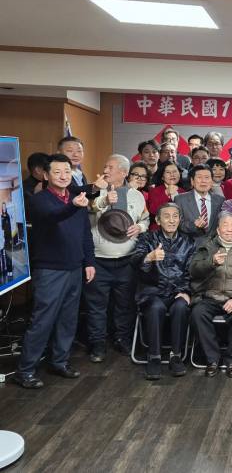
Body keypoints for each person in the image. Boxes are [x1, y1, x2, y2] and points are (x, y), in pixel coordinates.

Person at [13, 154, 95, 389]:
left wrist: (89, 261)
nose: (63, 176)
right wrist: (73, 205)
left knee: (68, 319)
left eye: (67, 172)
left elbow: (85, 234)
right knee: (43, 320)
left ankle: (59, 361)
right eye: (57, 172)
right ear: (46, 175)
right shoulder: (40, 200)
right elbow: (54, 216)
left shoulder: (76, 198)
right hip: (50, 269)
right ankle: (25, 371)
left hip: (75, 267)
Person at [84, 154, 149, 362]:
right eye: (105, 166)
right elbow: (89, 207)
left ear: (123, 172)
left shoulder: (136, 195)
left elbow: (146, 218)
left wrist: (140, 227)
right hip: (98, 260)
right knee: (96, 306)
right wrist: (103, 199)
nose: (105, 170)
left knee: (125, 305)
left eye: (110, 167)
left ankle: (122, 339)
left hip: (127, 261)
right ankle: (97, 344)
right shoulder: (94, 191)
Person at [189, 212, 232, 377]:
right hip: (210, 297)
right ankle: (212, 359)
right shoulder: (206, 247)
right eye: (225, 225)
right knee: (197, 313)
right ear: (218, 230)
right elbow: (193, 271)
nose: (230, 229)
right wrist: (211, 262)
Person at [131, 202, 195, 380]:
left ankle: (176, 355)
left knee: (181, 307)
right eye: (166, 216)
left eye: (175, 216)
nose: (171, 220)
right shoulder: (147, 238)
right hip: (152, 291)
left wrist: (186, 291)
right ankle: (154, 356)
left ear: (180, 220)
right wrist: (149, 257)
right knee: (156, 307)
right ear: (158, 220)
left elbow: (191, 271)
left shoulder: (188, 242)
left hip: (177, 291)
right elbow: (134, 261)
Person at [174, 164, 225, 244]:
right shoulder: (180, 199)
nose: (203, 181)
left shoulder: (220, 200)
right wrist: (193, 225)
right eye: (199, 177)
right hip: (190, 245)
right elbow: (177, 223)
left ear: (212, 181)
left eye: (207, 177)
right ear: (192, 181)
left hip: (214, 245)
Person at [146, 161, 185, 231]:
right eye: (168, 172)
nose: (172, 175)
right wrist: (166, 193)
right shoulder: (154, 191)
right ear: (162, 177)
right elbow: (153, 211)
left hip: (181, 230)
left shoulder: (184, 191)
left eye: (175, 171)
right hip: (159, 230)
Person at [23, 151, 48, 218]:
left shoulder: (50, 183)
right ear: (38, 170)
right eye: (48, 168)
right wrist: (36, 196)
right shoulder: (25, 188)